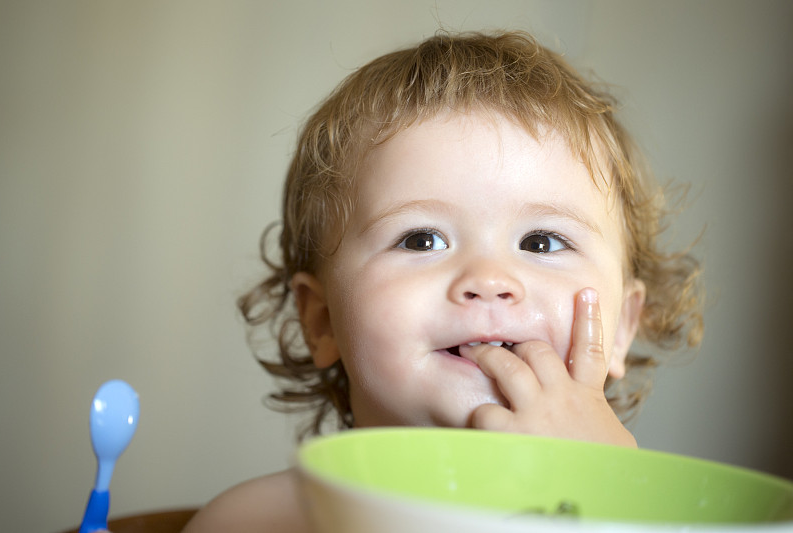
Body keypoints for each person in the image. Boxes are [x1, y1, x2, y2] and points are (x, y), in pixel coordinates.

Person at [182, 30, 703, 532]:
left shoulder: (651, 517)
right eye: (421, 240)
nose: (490, 280)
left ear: (621, 325)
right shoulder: (253, 522)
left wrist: (600, 498)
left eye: (542, 242)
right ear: (321, 321)